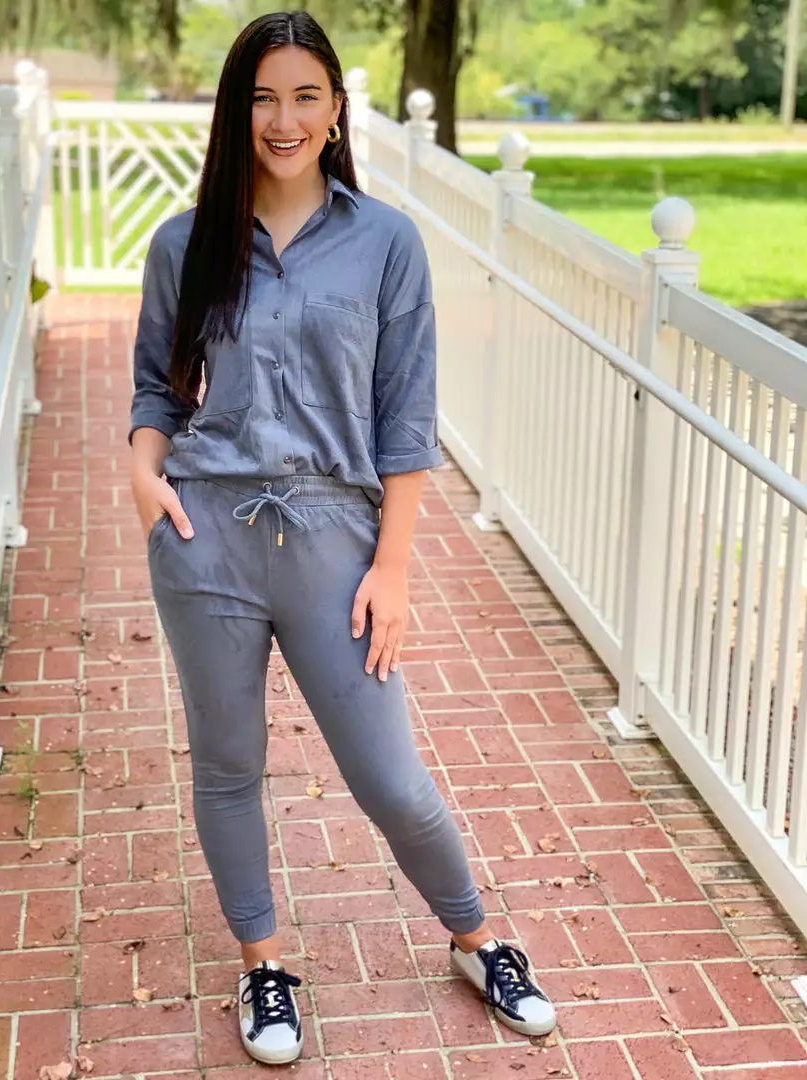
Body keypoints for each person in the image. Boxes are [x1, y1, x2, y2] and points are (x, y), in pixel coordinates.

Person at [128, 9, 556, 1067]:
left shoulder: (385, 243)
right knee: (228, 765)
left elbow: (406, 418)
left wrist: (393, 567)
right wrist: (143, 471)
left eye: (304, 96)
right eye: (262, 97)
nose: (283, 119)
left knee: (389, 779)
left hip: (336, 540)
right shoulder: (185, 243)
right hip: (206, 537)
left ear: (334, 111)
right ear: (235, 112)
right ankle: (263, 964)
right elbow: (157, 389)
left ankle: (478, 937)